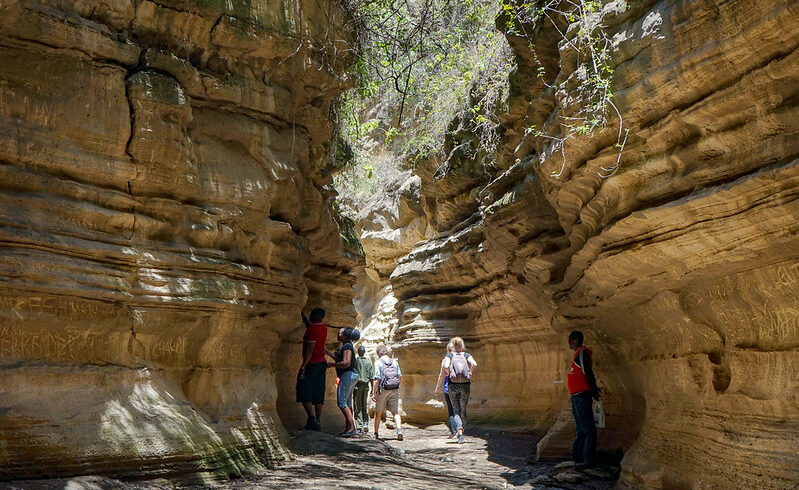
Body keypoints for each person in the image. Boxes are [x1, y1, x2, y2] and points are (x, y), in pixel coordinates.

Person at [567, 330, 600, 468]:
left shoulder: (581, 353)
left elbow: (588, 373)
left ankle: (587, 460)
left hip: (581, 395)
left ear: (575, 340)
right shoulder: (578, 354)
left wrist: (594, 391)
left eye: (570, 340)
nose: (569, 343)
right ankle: (578, 457)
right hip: (577, 397)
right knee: (581, 428)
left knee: (588, 429)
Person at [297, 307, 328, 431]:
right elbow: (312, 327)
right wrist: (304, 318)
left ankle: (311, 419)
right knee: (319, 391)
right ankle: (318, 420)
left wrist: (303, 366)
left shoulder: (311, 330)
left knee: (304, 390)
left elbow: (309, 350)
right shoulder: (323, 327)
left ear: (313, 315)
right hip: (322, 363)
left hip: (312, 364)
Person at [443, 336, 477, 444]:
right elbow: (474, 364)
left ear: (452, 346)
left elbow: (446, 365)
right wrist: (470, 372)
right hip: (465, 384)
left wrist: (448, 373)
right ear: (462, 345)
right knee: (463, 408)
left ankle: (460, 432)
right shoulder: (466, 355)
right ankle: (462, 429)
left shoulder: (450, 355)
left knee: (456, 409)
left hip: (453, 384)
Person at [327, 327, 360, 437]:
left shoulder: (347, 346)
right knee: (348, 403)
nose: (338, 334)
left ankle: (352, 428)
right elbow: (340, 360)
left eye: (340, 333)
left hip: (348, 374)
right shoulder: (347, 345)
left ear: (344, 336)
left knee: (341, 402)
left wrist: (331, 365)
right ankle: (348, 428)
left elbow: (346, 363)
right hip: (352, 375)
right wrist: (328, 353)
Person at [371, 344, 403, 441]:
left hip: (383, 389)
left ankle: (376, 433)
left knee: (379, 412)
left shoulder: (378, 362)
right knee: (395, 412)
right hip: (394, 388)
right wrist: (396, 386)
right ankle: (399, 431)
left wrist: (373, 392)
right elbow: (399, 376)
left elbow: (377, 379)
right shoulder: (394, 362)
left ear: (378, 353)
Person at [433, 341, 457, 438]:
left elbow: (441, 376)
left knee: (451, 411)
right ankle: (460, 430)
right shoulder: (460, 359)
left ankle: (453, 432)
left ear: (447, 350)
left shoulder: (445, 361)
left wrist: (437, 388)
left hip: (448, 388)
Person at [353, 345, 373, 433]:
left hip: (357, 385)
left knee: (358, 406)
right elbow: (371, 376)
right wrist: (372, 389)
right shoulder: (369, 362)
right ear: (364, 352)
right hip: (366, 386)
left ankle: (359, 425)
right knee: (364, 405)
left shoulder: (356, 361)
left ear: (358, 352)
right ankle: (365, 423)